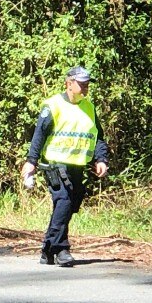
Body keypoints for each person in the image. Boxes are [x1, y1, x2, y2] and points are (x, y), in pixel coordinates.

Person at [20, 66, 110, 267]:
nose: (85, 88)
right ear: (69, 84)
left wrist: (101, 159)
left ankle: (47, 249)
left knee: (71, 203)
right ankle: (61, 248)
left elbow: (98, 137)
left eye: (87, 84)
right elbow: (39, 135)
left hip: (77, 166)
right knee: (64, 200)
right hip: (55, 164)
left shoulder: (89, 107)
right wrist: (31, 161)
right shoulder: (53, 105)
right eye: (82, 84)